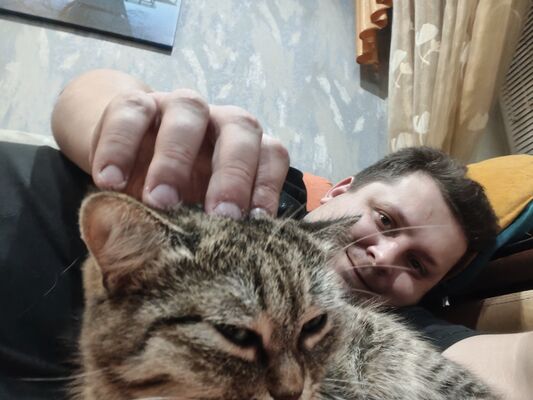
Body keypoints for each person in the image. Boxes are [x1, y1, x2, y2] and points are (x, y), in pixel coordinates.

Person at [0, 69, 530, 399]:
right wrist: (128, 127)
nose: (383, 254)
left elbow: (507, 371)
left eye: (418, 265)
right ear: (340, 189)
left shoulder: (394, 322)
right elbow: (84, 95)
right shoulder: (251, 183)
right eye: (386, 220)